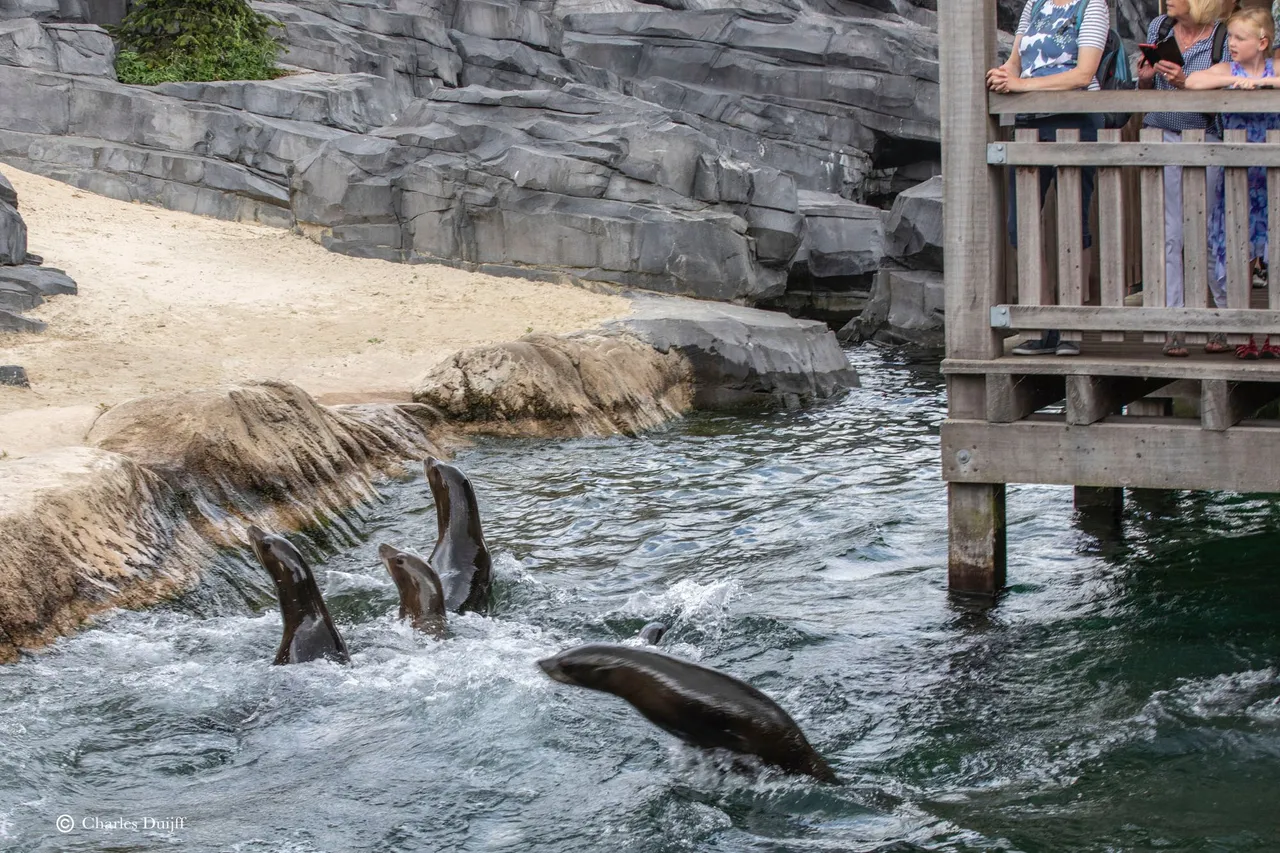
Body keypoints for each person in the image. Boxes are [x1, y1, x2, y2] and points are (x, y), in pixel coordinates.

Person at [987, 0, 1109, 357]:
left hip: (1075, 118)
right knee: (1020, 225)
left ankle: (1071, 325)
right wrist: (1002, 76)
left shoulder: (1092, 5)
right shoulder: (1034, 4)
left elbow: (1082, 75)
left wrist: (1022, 85)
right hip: (1029, 121)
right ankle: (1041, 326)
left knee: (1073, 222)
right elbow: (1015, 62)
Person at [1187, 7, 1280, 358]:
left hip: (1272, 177)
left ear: (1263, 42)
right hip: (1238, 178)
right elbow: (1194, 82)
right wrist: (1233, 83)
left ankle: (1275, 333)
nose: (1233, 44)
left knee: (1275, 254)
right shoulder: (1228, 70)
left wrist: (1262, 84)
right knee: (1237, 254)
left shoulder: (1274, 68)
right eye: (1231, 38)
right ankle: (1244, 331)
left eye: (1240, 38)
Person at [1139, 0, 1230, 357]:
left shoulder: (1222, 37)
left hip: (1206, 139)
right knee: (1169, 235)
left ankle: (1223, 320)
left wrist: (1185, 84)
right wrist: (1145, 80)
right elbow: (1146, 95)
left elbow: (1228, 95)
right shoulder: (1159, 27)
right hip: (1160, 136)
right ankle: (1174, 325)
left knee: (1209, 233)